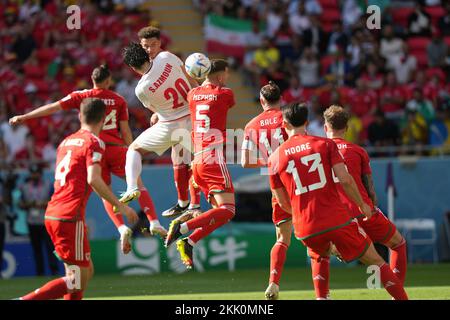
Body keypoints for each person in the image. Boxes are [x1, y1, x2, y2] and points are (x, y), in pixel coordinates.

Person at [9, 64, 163, 251]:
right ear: (108, 81)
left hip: (93, 146)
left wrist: (25, 116)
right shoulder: (118, 99)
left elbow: (53, 107)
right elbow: (125, 130)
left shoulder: (82, 96)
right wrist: (132, 151)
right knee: (138, 184)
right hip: (115, 148)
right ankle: (154, 221)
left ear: (92, 80)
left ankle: (121, 228)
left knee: (103, 190)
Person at [268, 102, 408, 300]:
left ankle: (322, 297)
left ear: (284, 124)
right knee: (377, 261)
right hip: (336, 218)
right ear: (307, 122)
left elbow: (282, 203)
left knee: (319, 257)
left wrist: (303, 216)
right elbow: (345, 179)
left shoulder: (274, 158)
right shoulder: (325, 144)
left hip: (305, 226)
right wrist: (362, 204)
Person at [19, 98, 138, 300]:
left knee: (81, 273)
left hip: (56, 213)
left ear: (79, 115)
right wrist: (121, 206)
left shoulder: (65, 142)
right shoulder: (94, 142)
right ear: (103, 119)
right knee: (78, 280)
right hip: (68, 217)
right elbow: (94, 179)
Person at [323, 105, 408, 289]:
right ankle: (397, 291)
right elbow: (371, 190)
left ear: (325, 127)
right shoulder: (358, 151)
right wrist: (370, 205)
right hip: (363, 211)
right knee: (398, 244)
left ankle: (324, 288)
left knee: (318, 252)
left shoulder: (317, 153)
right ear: (346, 128)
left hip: (336, 219)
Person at [164, 59, 236, 269]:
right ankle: (183, 227)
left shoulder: (192, 95)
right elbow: (226, 102)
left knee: (219, 215)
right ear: (221, 75)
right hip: (213, 157)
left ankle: (189, 241)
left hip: (196, 160)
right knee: (228, 210)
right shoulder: (225, 93)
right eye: (227, 74)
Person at [137, 26, 201, 217]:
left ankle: (192, 204)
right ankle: (186, 203)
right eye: (145, 46)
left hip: (187, 114)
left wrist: (158, 113)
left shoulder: (161, 61)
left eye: (153, 45)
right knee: (181, 158)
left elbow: (189, 80)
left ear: (160, 43)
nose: (149, 49)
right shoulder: (168, 58)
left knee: (192, 159)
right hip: (181, 114)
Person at [241, 81, 291, 299]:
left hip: (276, 184)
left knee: (282, 238)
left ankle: (273, 283)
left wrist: (269, 161)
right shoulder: (288, 117)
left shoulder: (251, 125)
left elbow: (245, 162)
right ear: (280, 99)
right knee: (315, 229)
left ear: (262, 101)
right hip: (298, 179)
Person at [19, 164, 58, 276]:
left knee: (49, 247)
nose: (34, 175)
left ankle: (54, 270)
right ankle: (40, 271)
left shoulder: (48, 185)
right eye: (33, 173)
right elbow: (21, 204)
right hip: (32, 221)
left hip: (45, 220)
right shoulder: (25, 186)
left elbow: (53, 201)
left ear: (40, 174)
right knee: (37, 248)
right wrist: (29, 204)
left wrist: (42, 204)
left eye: (36, 173)